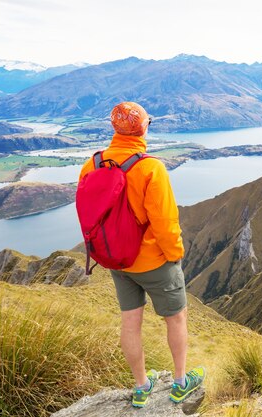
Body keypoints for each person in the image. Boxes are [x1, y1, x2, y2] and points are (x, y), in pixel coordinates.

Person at [78, 102, 204, 407]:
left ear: (114, 128)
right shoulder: (150, 168)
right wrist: (175, 255)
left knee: (130, 322)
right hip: (153, 262)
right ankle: (180, 382)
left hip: (116, 260)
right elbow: (164, 220)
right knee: (175, 319)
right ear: (144, 128)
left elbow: (89, 214)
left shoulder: (91, 164)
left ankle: (141, 386)